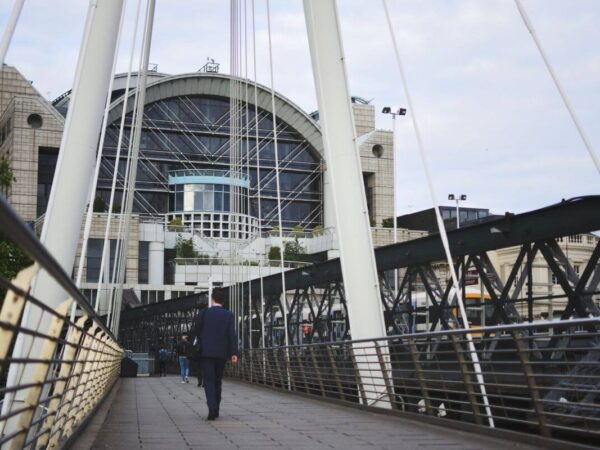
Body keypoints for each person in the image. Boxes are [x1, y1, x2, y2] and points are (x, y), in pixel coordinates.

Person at [191, 288, 238, 421]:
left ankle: (212, 407)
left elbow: (196, 332)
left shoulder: (204, 313)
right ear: (223, 301)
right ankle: (216, 407)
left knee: (209, 381)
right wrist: (233, 353)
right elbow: (231, 335)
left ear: (212, 299)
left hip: (206, 353)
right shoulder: (228, 315)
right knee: (218, 381)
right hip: (221, 354)